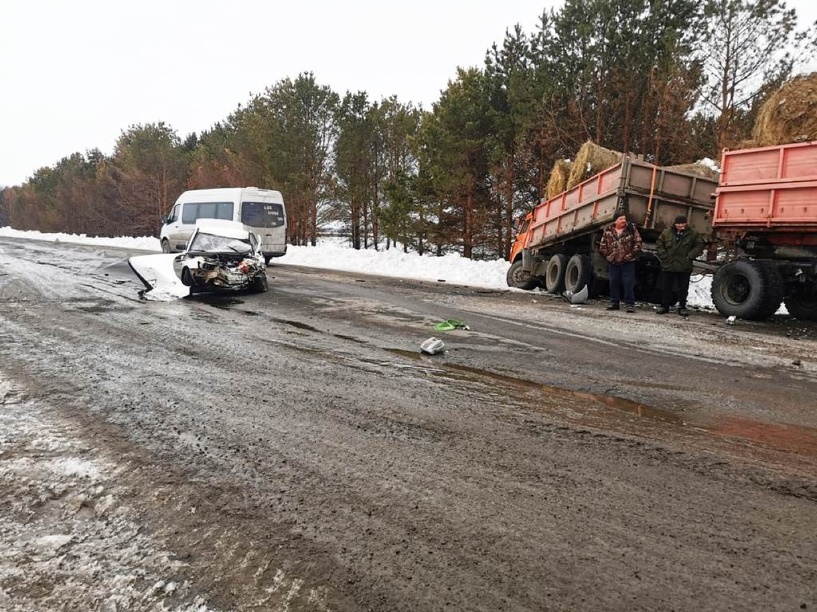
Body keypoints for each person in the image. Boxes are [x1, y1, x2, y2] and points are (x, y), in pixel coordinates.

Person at [655, 215, 706, 316]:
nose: (680, 226)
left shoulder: (693, 234)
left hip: (684, 265)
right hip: (669, 264)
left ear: (686, 224)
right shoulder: (666, 232)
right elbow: (659, 244)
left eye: (682, 224)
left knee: (683, 288)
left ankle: (682, 307)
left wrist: (690, 256)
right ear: (675, 224)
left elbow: (699, 245)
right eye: (678, 224)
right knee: (666, 287)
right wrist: (664, 256)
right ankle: (664, 306)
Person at [598, 214, 643, 313]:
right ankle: (614, 302)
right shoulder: (608, 231)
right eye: (621, 219)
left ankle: (630, 304)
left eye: (624, 219)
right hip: (613, 262)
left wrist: (630, 255)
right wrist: (608, 256)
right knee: (613, 281)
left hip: (628, 262)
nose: (623, 221)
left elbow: (638, 242)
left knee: (628, 283)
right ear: (615, 221)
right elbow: (602, 245)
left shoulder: (631, 229)